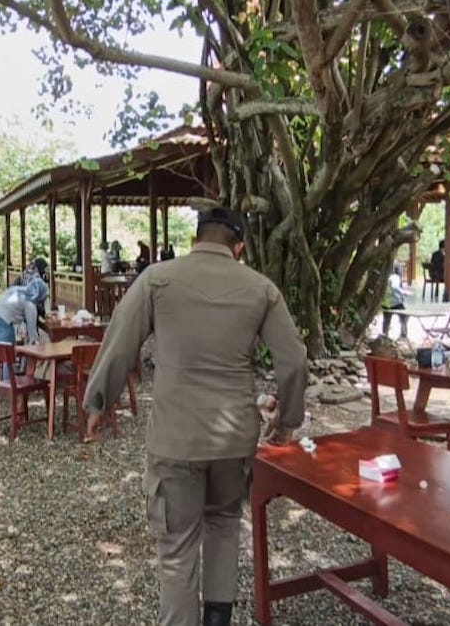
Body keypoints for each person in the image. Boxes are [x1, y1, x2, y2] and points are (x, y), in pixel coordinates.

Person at [80, 207, 308, 626]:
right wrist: (287, 420)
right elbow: (293, 361)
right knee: (223, 524)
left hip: (175, 437)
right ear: (238, 248)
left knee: (178, 547)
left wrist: (99, 402)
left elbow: (120, 342)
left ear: (194, 240)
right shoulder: (260, 288)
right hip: (234, 438)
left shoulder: (157, 279)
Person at [0, 276, 46, 383]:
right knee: (8, 354)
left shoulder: (16, 289)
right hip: (2, 319)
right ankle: (8, 383)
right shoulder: (30, 305)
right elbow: (32, 333)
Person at [380, 263, 413, 340]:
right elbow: (395, 287)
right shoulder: (395, 277)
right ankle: (403, 335)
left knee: (386, 319)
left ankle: (385, 334)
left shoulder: (387, 277)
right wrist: (404, 292)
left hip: (386, 302)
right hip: (395, 302)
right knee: (404, 317)